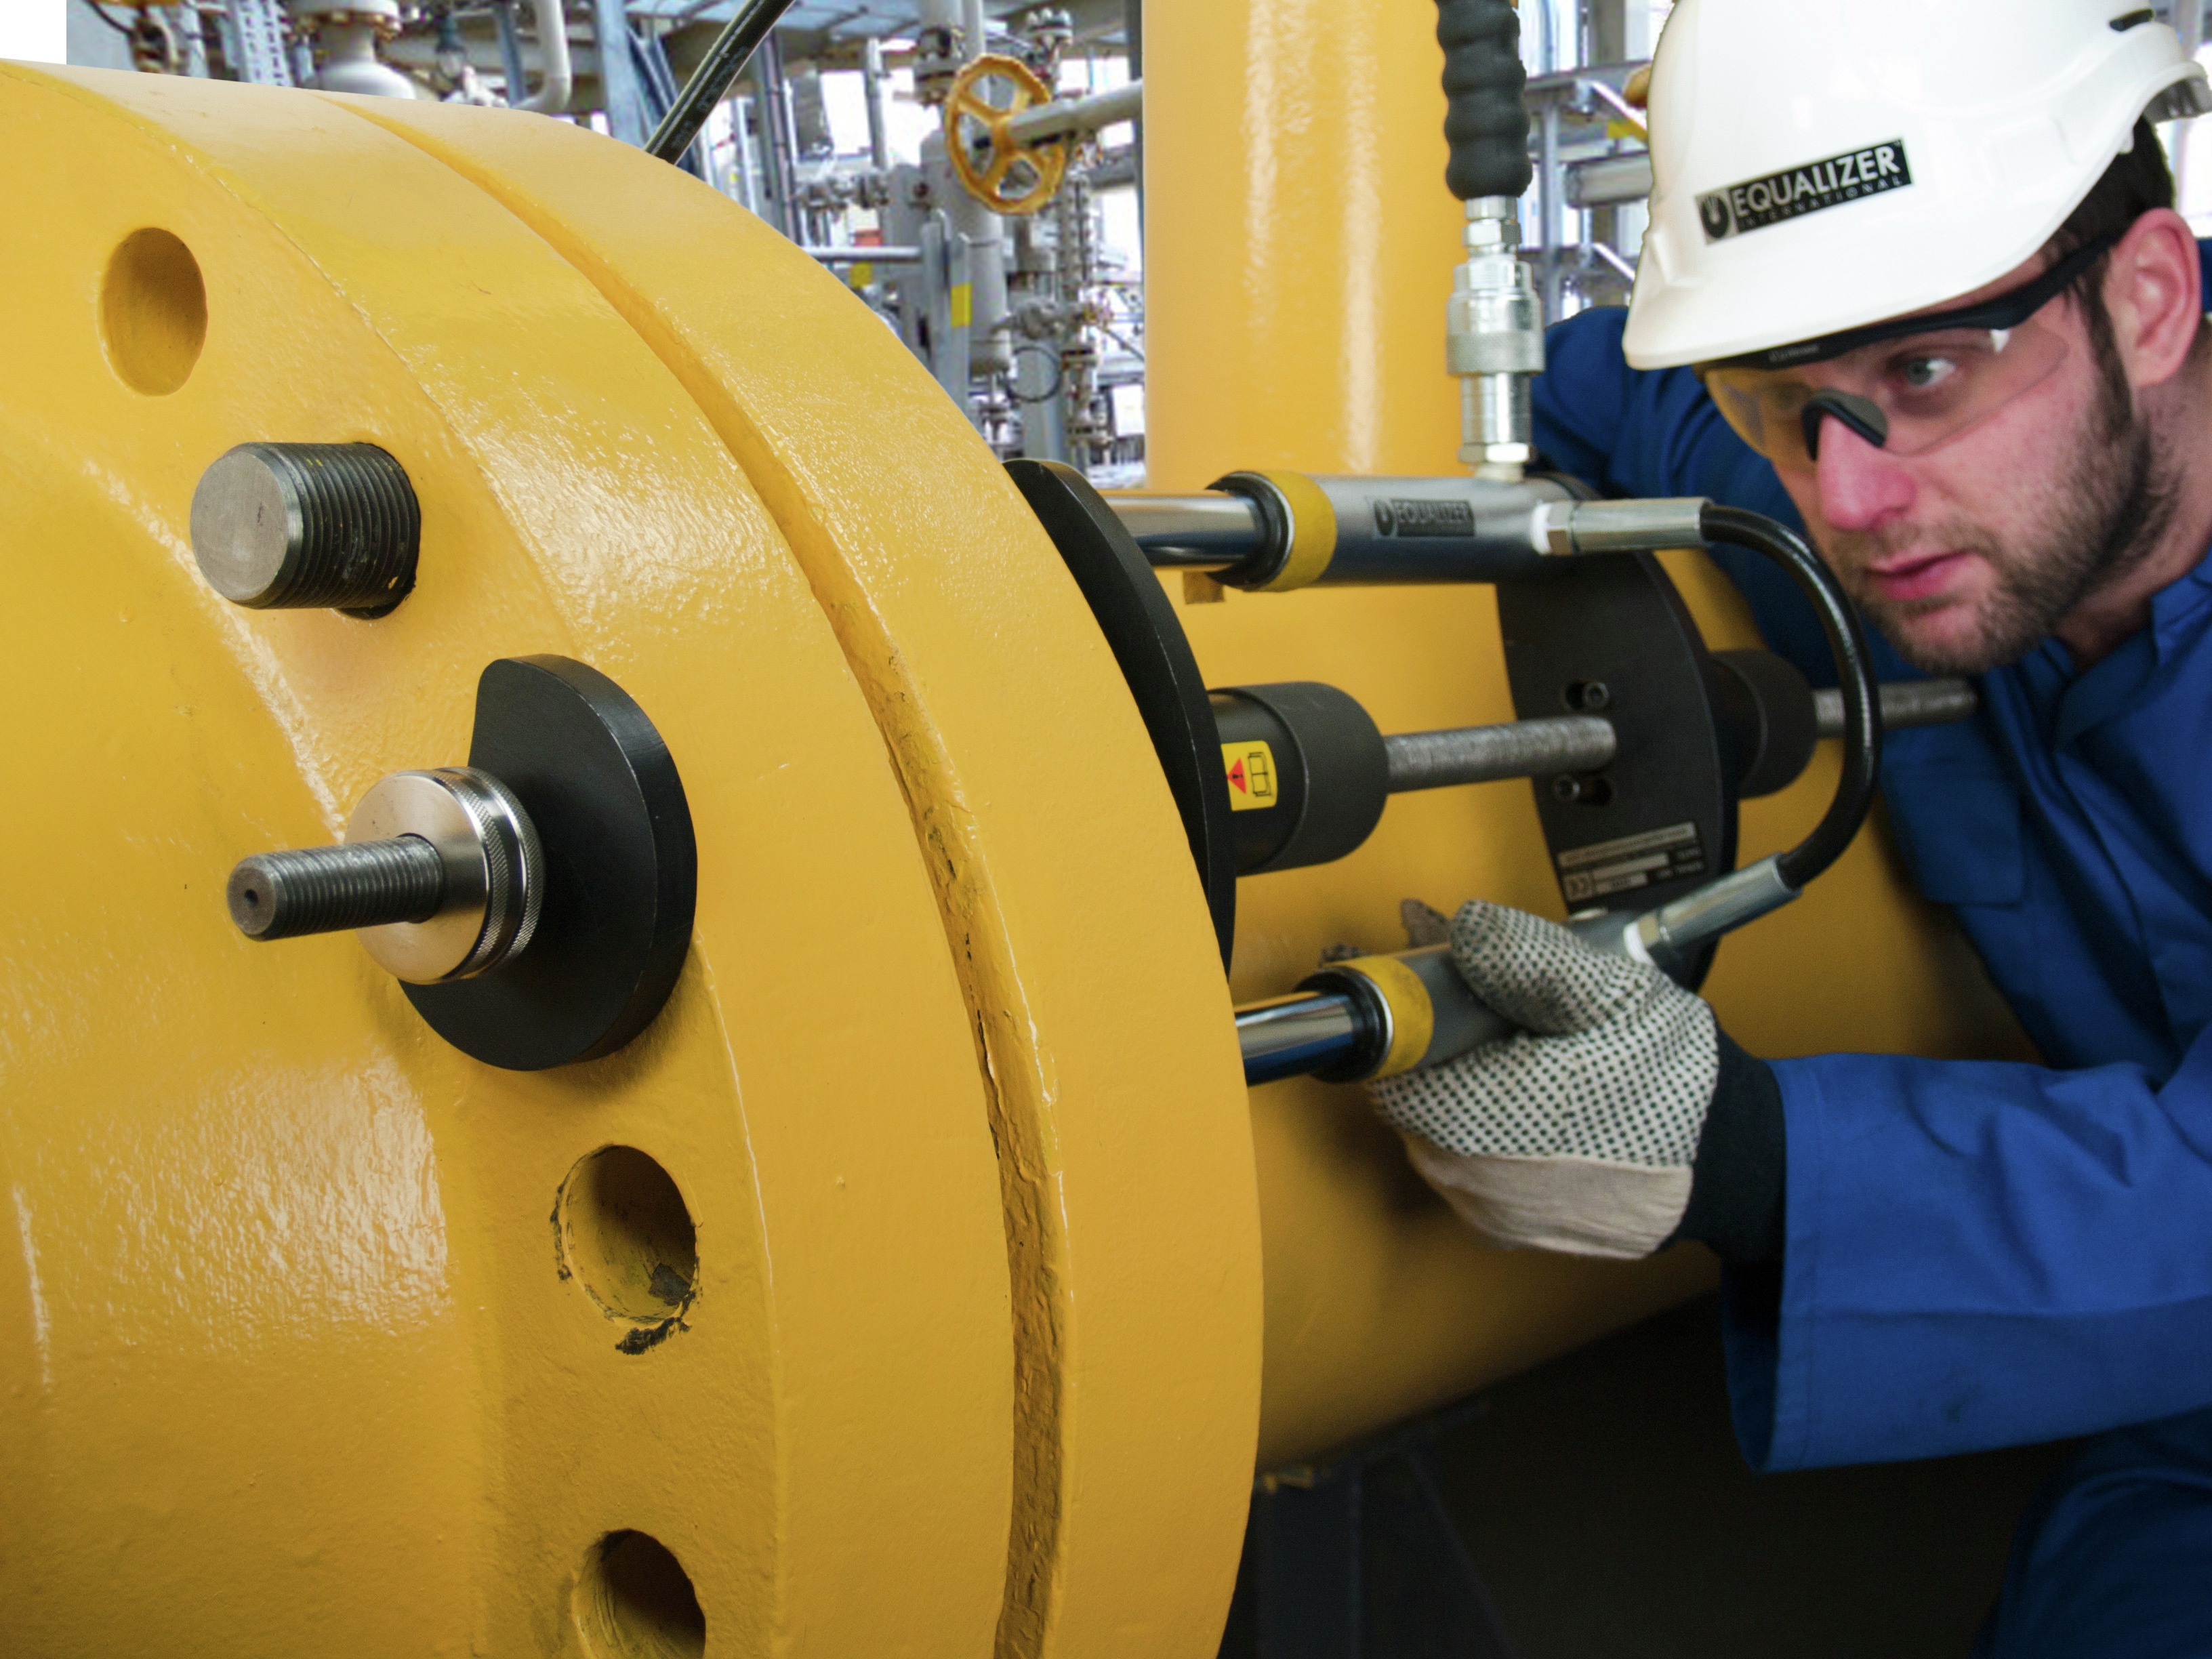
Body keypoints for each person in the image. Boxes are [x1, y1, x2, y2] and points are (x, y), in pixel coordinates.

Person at [1371, 1, 2212, 1648]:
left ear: (2153, 298)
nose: (1847, 503)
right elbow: (1595, 397)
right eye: (1778, 401)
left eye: (1925, 372)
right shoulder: (1855, 469)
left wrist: (1747, 1156)